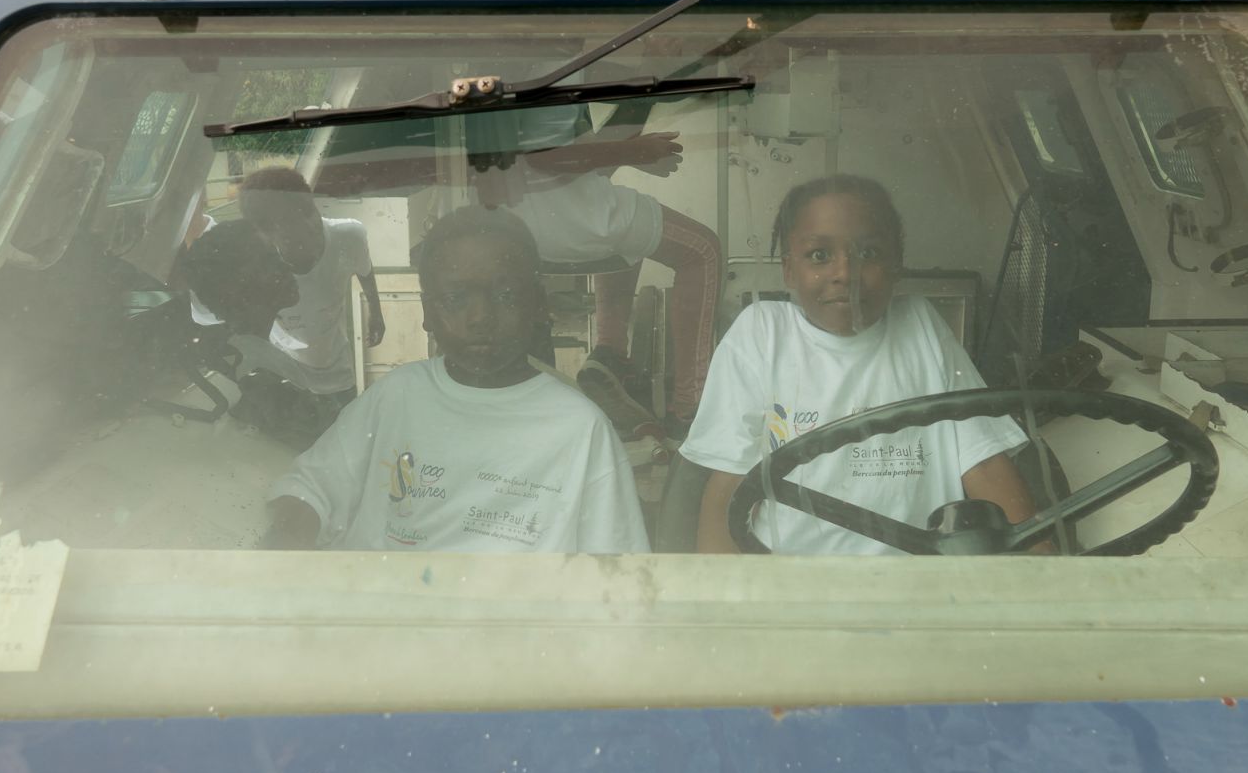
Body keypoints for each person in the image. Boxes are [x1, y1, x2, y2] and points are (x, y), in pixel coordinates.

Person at [683, 175, 1040, 555]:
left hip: (918, 586)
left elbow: (983, 463)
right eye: (820, 256)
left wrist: (1044, 571)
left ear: (896, 265)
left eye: (868, 254)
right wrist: (726, 602)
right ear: (789, 270)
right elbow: (728, 486)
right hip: (790, 586)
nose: (845, 274)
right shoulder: (762, 333)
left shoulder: (921, 328)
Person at [262, 205, 651, 553]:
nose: (479, 317)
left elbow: (614, 573)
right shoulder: (396, 398)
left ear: (538, 303)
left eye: (505, 295)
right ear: (428, 312)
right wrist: (285, 555)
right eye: (455, 299)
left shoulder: (580, 430)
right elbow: (309, 489)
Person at [477, 106, 719, 443]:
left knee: (635, 233)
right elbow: (547, 158)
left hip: (520, 217)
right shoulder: (557, 60)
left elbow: (579, 156)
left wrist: (632, 142)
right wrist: (634, 150)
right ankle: (689, 409)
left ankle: (611, 354)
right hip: (561, 212)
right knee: (703, 250)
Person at [180, 219, 348, 446]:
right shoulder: (263, 376)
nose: (287, 266)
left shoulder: (262, 344)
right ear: (243, 287)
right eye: (272, 262)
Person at [238, 168, 385, 399]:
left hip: (337, 369)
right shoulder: (253, 266)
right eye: (290, 220)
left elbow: (364, 271)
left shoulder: (349, 236)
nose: (309, 225)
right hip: (282, 375)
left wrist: (376, 313)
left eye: (308, 211)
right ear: (266, 233)